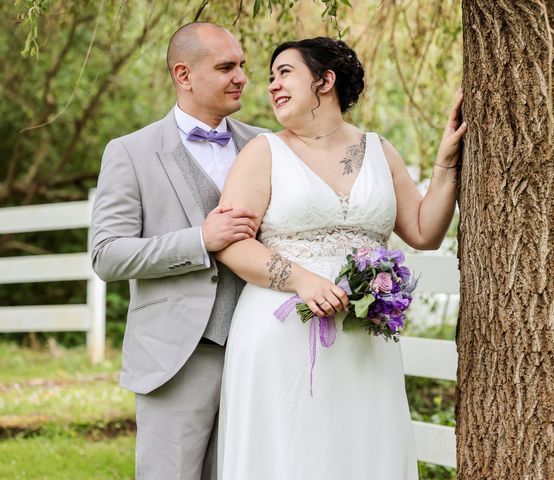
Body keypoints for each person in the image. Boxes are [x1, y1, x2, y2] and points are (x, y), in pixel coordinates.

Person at [214, 37, 466, 479]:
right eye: (270, 78)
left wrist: (445, 166)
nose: (272, 86)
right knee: (291, 452)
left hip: (363, 342)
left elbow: (425, 232)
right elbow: (232, 243)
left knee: (364, 450)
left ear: (325, 81)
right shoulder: (263, 152)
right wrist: (301, 280)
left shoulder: (379, 149)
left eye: (285, 73)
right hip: (281, 334)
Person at [91, 22, 268, 479]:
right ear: (184, 75)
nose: (242, 77)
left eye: (242, 66)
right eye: (226, 67)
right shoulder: (130, 152)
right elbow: (107, 255)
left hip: (261, 349)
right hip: (176, 356)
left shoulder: (266, 146)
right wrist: (199, 242)